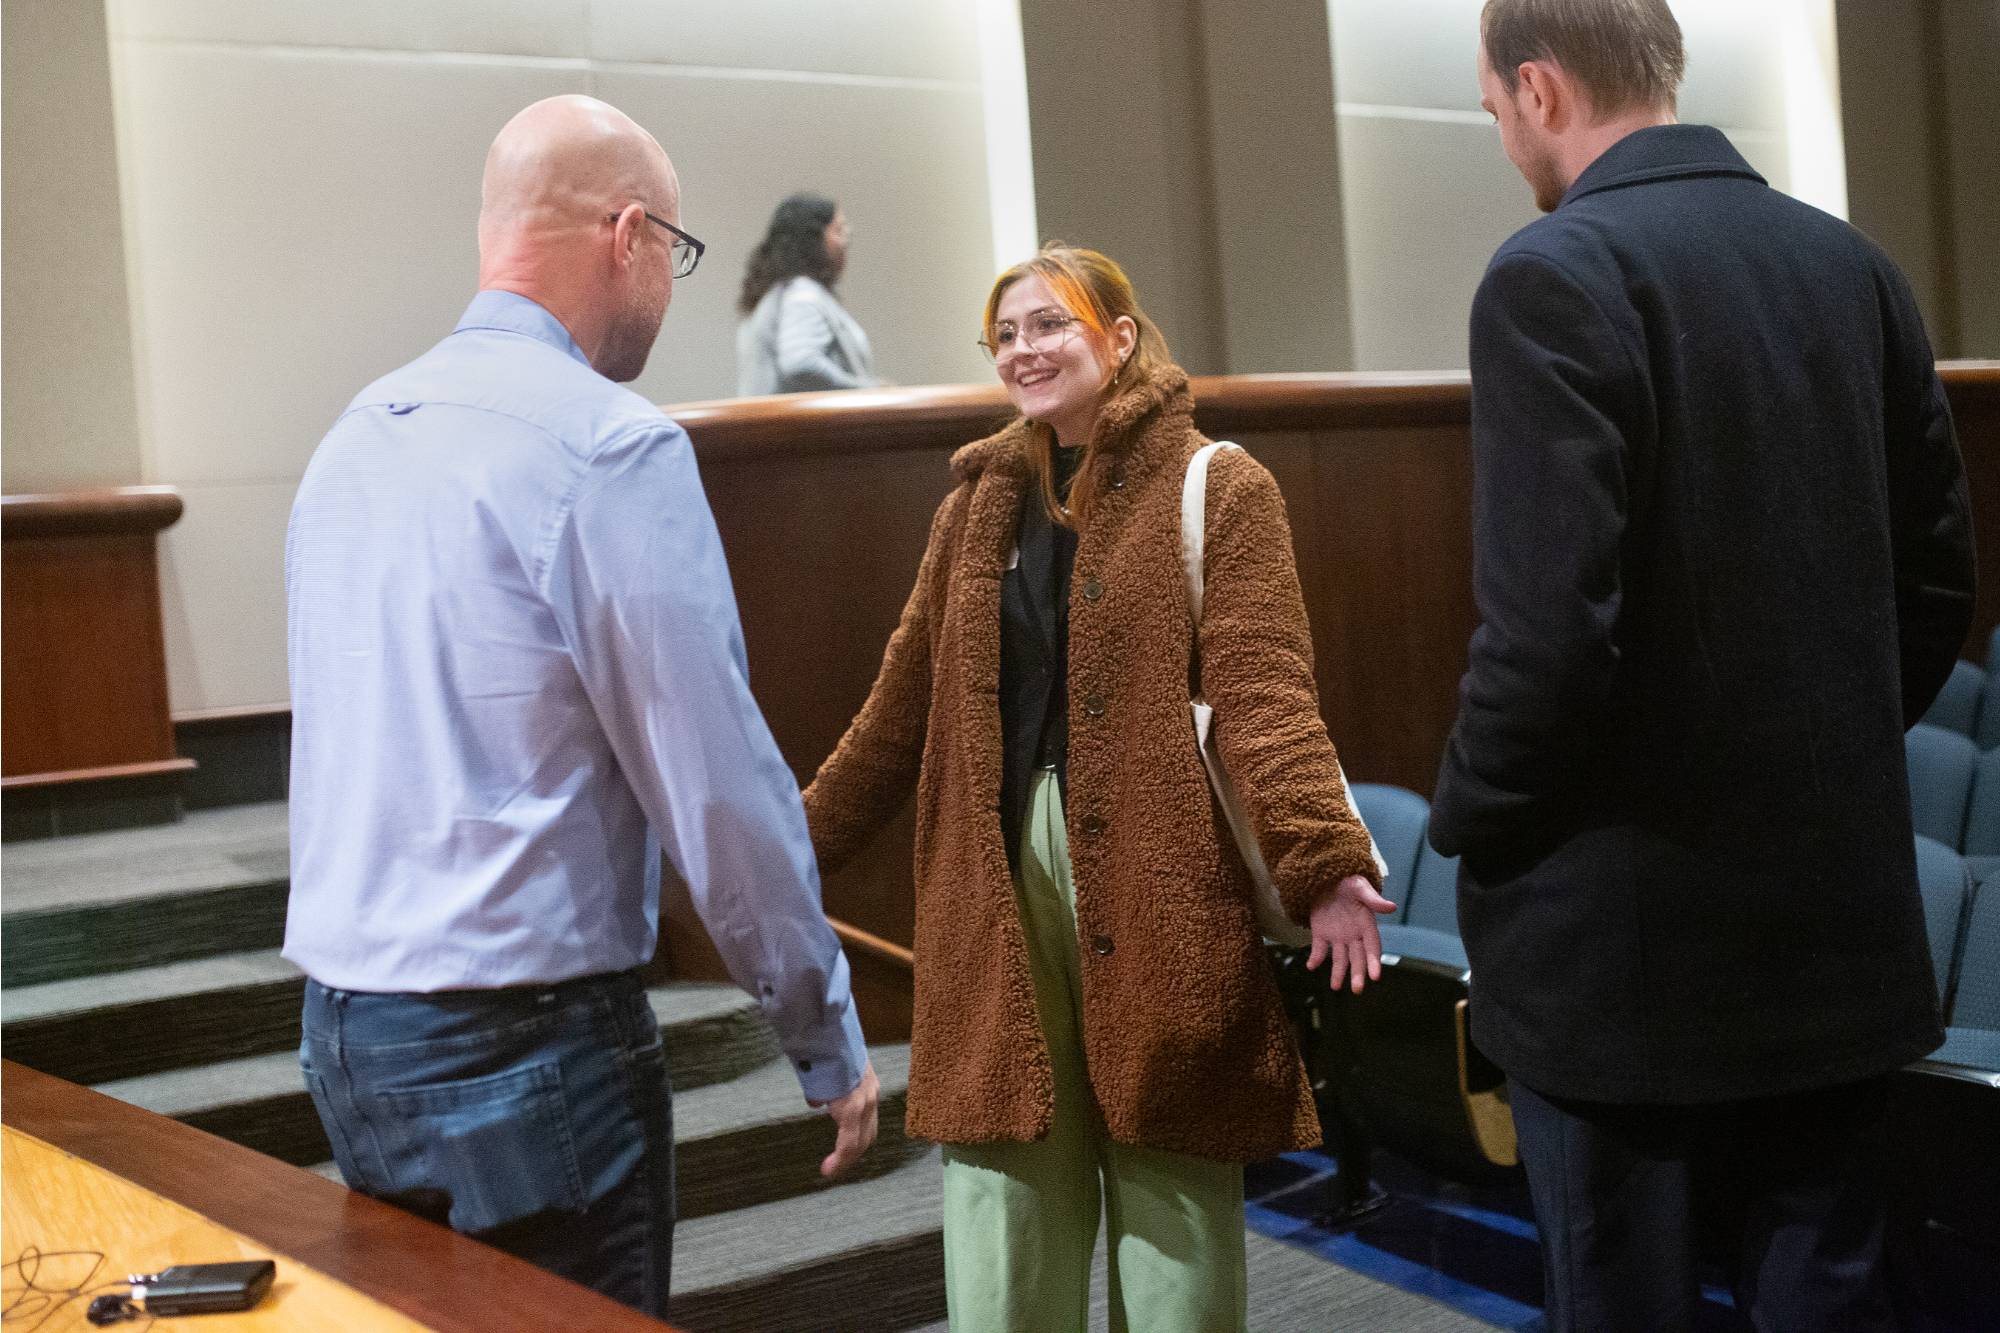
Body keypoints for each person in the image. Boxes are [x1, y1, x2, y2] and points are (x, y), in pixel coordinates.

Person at [283, 95, 879, 1319]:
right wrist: (819, 1022)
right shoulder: (608, 446)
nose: (668, 281)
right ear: (628, 234)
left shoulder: (351, 436)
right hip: (527, 1046)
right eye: (675, 249)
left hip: (347, 1032)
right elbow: (715, 784)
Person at [1431, 2, 1975, 1327]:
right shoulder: (1853, 265)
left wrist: (1465, 818)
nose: (1502, 138)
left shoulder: (1550, 273)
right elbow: (1937, 590)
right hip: (1836, 927)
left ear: (1539, 89)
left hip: (1623, 962)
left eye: (1494, 110)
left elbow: (1547, 641)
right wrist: (1819, 754)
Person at [802, 243, 1394, 1332]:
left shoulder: (1218, 485)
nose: (1023, 350)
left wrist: (1321, 859)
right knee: (1002, 1191)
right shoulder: (971, 508)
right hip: (992, 883)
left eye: (1049, 324)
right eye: (1005, 333)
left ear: (1118, 338)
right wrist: (785, 856)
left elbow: (1266, 690)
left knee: (1172, 1186)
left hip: (1157, 876)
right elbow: (895, 715)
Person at [735, 192, 878, 394]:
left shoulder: (781, 293)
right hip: (803, 416)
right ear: (813, 238)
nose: (846, 240)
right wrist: (865, 390)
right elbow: (801, 362)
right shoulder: (801, 295)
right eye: (838, 230)